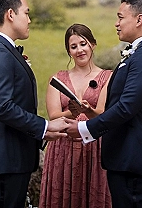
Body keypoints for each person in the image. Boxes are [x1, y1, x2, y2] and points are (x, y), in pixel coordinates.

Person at [64, 0, 142, 208]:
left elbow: (127, 106)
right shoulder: (138, 53)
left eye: (120, 17)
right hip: (124, 157)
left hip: (134, 157)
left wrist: (85, 128)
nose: (116, 23)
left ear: (139, 20)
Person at [0, 0, 67, 208]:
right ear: (10, 14)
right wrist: (44, 126)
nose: (29, 19)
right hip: (5, 160)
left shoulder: (5, 50)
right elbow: (2, 107)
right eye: (26, 13)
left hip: (13, 159)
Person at [39, 24, 112, 208]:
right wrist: (73, 112)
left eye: (83, 44)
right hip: (62, 146)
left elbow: (103, 114)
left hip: (93, 145)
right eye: (74, 47)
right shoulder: (58, 78)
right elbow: (54, 116)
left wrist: (87, 110)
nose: (79, 50)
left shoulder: (107, 77)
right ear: (68, 51)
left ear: (93, 45)